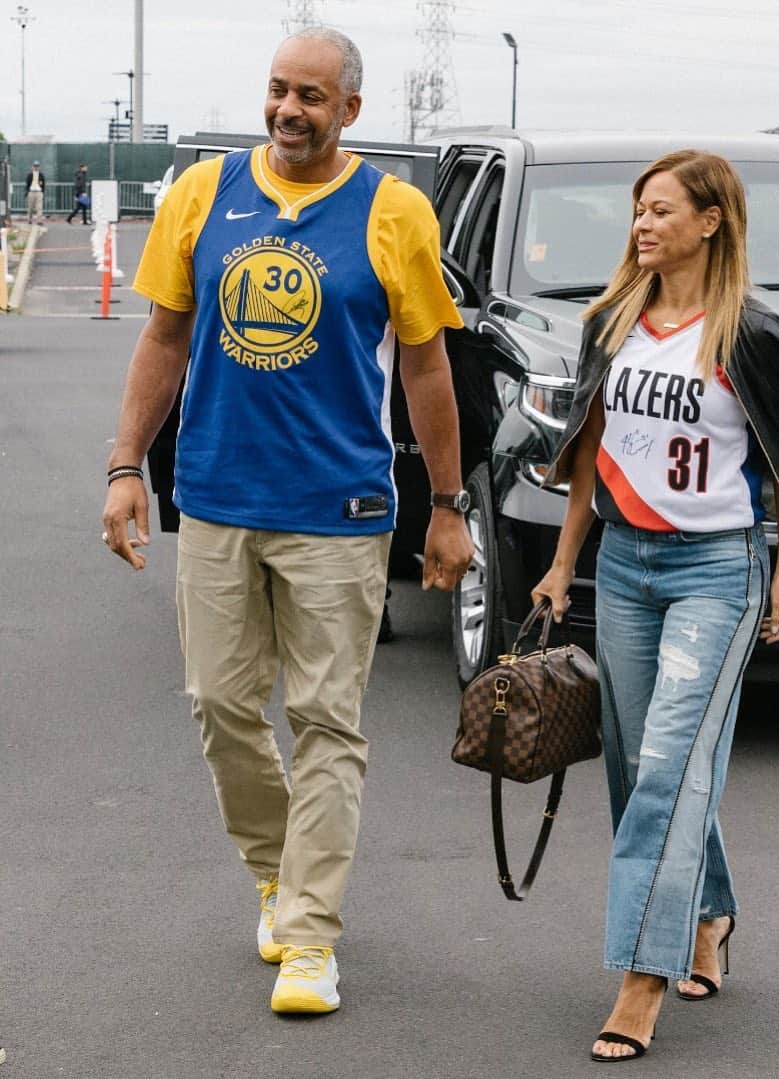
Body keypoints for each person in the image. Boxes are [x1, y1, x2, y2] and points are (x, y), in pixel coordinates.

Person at [101, 26, 473, 1016]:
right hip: (218, 497)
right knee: (219, 706)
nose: (289, 111)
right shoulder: (201, 194)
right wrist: (124, 466)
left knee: (325, 721)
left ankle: (308, 933)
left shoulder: (392, 213)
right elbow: (164, 336)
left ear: (349, 110)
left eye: (311, 96)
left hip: (340, 511)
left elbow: (429, 365)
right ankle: (278, 869)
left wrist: (445, 505)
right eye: (278, 91)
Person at [531, 150, 779, 1062]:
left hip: (715, 572)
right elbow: (589, 450)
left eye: (661, 211)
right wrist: (563, 566)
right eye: (637, 211)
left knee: (670, 768)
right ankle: (708, 912)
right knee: (644, 766)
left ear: (711, 221)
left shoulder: (750, 336)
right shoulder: (613, 322)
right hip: (625, 568)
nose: (642, 225)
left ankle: (642, 973)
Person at [25, 161, 46, 226]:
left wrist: (42, 191)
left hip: (39, 192)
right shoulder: (30, 175)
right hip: (31, 192)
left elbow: (43, 184)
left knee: (39, 207)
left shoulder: (41, 175)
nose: (36, 167)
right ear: (32, 167)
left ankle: (39, 221)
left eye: (37, 166)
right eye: (35, 166)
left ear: (39, 167)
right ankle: (29, 220)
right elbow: (27, 184)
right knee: (30, 207)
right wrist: (27, 192)